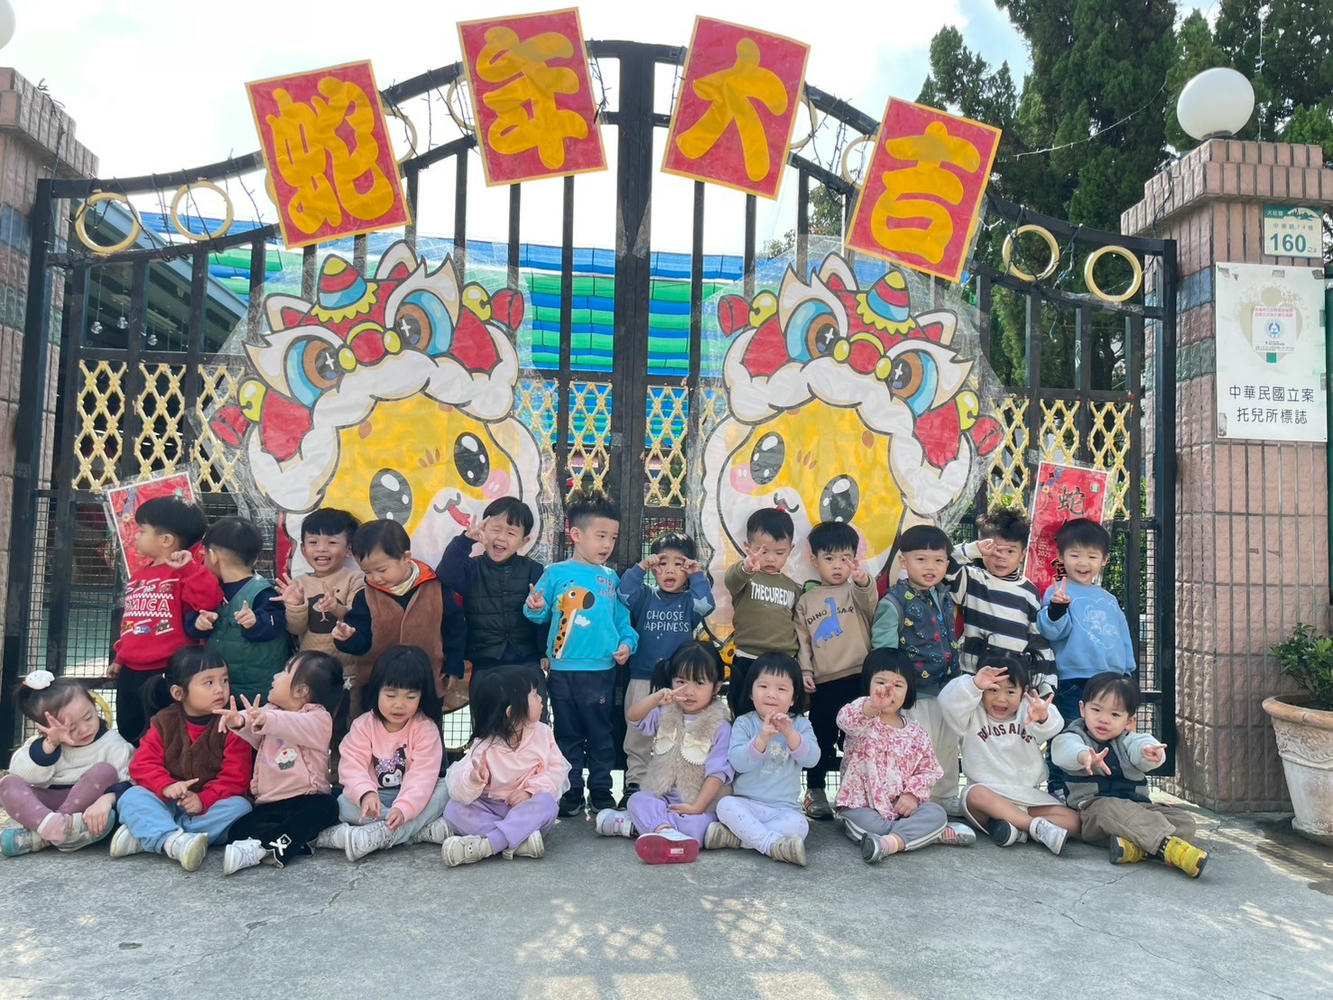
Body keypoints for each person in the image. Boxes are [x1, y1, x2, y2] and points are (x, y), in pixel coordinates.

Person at [524, 488, 637, 817]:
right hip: (561, 672)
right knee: (567, 733)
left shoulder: (611, 579)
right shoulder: (555, 573)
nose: (607, 544)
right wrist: (535, 606)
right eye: (601, 536)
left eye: (612, 538)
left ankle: (601, 789)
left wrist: (627, 644)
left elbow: (623, 622)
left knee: (601, 732)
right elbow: (536, 614)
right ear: (576, 534)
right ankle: (571, 789)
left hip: (601, 671)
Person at [111, 647, 254, 871]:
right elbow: (142, 764)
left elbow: (236, 778)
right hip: (169, 803)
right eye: (209, 683)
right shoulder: (164, 722)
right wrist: (166, 786)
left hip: (209, 807)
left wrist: (203, 800)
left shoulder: (232, 723)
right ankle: (175, 840)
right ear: (179, 693)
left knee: (241, 807)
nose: (220, 689)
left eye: (224, 680)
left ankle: (154, 835)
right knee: (132, 796)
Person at [1052, 672, 1208, 877]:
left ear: (1130, 721)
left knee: (1185, 822)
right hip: (1093, 812)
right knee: (1109, 808)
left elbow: (1141, 745)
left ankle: (1134, 849)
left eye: (1115, 715)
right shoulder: (1073, 737)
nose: (1104, 719)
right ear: (1083, 709)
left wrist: (1149, 753)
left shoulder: (1129, 740)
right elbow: (1063, 749)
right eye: (1096, 710)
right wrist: (1083, 756)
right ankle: (1167, 847)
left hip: (1137, 808)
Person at [594, 641, 732, 865]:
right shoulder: (665, 712)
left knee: (701, 826)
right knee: (638, 799)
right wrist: (655, 699)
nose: (688, 691)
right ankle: (666, 832)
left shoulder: (720, 726)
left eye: (699, 683)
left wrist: (696, 808)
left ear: (716, 687)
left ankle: (633, 827)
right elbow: (634, 716)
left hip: (696, 805)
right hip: (662, 799)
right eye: (681, 681)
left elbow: (717, 774)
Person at [870, 524, 970, 833]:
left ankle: (944, 796)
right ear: (903, 561)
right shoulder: (893, 602)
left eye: (938, 561)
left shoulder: (944, 595)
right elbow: (884, 650)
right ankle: (908, 800)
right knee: (914, 750)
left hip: (947, 690)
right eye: (921, 559)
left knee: (946, 746)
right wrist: (892, 689)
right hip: (914, 694)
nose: (931, 567)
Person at [835, 648, 973, 863]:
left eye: (898, 685)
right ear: (868, 684)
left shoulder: (916, 732)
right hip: (861, 805)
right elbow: (845, 720)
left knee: (936, 812)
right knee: (869, 825)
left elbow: (928, 770)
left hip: (901, 808)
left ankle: (890, 843)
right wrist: (872, 706)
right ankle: (924, 836)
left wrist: (912, 796)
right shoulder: (862, 719)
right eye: (881, 682)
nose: (888, 690)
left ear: (909, 690)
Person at [215, 651, 345, 874]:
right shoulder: (270, 712)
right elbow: (255, 725)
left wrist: (265, 719)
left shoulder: (319, 719)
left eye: (285, 671)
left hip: (307, 798)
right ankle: (308, 840)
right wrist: (239, 720)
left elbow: (288, 723)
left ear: (301, 691)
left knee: (328, 807)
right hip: (271, 804)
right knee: (238, 830)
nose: (276, 676)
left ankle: (266, 848)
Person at [317, 646, 451, 861]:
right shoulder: (363, 726)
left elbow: (422, 776)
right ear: (377, 690)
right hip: (376, 798)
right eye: (390, 695)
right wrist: (366, 794)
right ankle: (415, 831)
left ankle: (383, 835)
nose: (399, 705)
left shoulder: (425, 728)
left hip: (412, 796)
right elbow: (352, 766)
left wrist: (404, 808)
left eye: (410, 696)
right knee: (343, 805)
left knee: (445, 789)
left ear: (422, 696)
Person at [937, 652, 1079, 854]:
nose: (1001, 699)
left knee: (1073, 821)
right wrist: (974, 684)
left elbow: (1053, 726)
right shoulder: (971, 712)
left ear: (1024, 692)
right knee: (974, 795)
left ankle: (1016, 829)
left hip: (1026, 796)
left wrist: (1042, 717)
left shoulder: (1028, 710)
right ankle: (1034, 828)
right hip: (989, 797)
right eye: (993, 690)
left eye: (1011, 692)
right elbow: (947, 701)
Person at [110, 496, 222, 744]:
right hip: (130, 672)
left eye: (142, 530)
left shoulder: (186, 571)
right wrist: (120, 657)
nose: (136, 536)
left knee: (168, 735)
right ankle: (134, 767)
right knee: (129, 730)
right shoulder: (138, 576)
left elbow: (209, 599)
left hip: (167, 671)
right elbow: (131, 621)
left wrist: (189, 570)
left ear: (166, 540)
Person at [1037, 518, 1136, 797]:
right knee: (1068, 733)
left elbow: (1122, 638)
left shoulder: (1108, 599)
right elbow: (1051, 631)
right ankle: (1059, 787)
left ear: (1104, 560)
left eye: (1092, 556)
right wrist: (1057, 609)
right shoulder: (1057, 592)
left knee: (1108, 733)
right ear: (1061, 557)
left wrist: (1127, 673)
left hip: (1109, 681)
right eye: (1075, 555)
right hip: (1073, 680)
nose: (1083, 562)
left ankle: (1104, 786)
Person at [617, 530, 714, 803]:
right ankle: (634, 784)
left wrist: (697, 575)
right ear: (653, 567)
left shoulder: (689, 602)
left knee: (674, 735)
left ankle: (668, 787)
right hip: (642, 678)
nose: (670, 570)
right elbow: (623, 594)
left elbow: (706, 606)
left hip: (677, 684)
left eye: (678, 564)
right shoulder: (645, 596)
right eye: (662, 563)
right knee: (637, 735)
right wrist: (640, 568)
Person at [439, 665, 570, 867]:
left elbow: (557, 770)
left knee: (547, 804)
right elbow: (458, 785)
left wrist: (530, 791)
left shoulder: (542, 733)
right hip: (492, 809)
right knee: (453, 809)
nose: (541, 699)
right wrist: (473, 779)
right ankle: (517, 842)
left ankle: (488, 844)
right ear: (512, 712)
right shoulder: (484, 745)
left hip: (525, 811)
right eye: (534, 695)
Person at [793, 521, 876, 820]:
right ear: (814, 560)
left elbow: (871, 604)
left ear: (854, 559)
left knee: (859, 740)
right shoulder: (806, 601)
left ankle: (857, 794)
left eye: (845, 558)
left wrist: (864, 582)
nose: (838, 565)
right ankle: (815, 791)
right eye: (829, 558)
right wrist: (805, 671)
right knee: (820, 736)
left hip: (859, 679)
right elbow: (802, 640)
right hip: (825, 682)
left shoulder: (856, 591)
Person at [333, 520, 467, 704]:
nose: (375, 578)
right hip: (378, 687)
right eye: (367, 572)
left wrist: (453, 665)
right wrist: (347, 638)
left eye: (382, 570)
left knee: (426, 721)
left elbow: (455, 630)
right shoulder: (365, 598)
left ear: (406, 557)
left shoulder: (436, 588)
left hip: (428, 683)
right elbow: (361, 643)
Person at [0, 672, 134, 856]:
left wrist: (108, 799)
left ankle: (44, 836)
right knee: (8, 783)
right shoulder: (43, 745)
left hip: (87, 812)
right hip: (47, 809)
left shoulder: (112, 744)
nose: (84, 729)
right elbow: (20, 773)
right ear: (45, 728)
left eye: (88, 717)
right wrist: (50, 745)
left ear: (94, 705)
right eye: (71, 728)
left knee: (104, 771)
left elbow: (131, 781)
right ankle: (55, 828)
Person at [713, 652, 819, 866]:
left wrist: (790, 735)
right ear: (751, 693)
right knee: (724, 805)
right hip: (747, 804)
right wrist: (761, 739)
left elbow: (812, 760)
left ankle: (738, 838)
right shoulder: (744, 723)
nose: (771, 694)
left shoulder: (800, 725)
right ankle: (772, 845)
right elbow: (737, 762)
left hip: (783, 809)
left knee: (800, 826)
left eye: (781, 689)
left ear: (793, 698)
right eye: (763, 686)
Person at [436, 497, 546, 697]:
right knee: (487, 715)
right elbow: (446, 573)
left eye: (511, 533)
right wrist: (466, 540)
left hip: (527, 661)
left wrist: (544, 650)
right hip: (485, 662)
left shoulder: (534, 570)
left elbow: (546, 617)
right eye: (495, 529)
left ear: (524, 541)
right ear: (484, 530)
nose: (501, 538)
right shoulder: (471, 568)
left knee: (532, 714)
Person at [951, 507, 1055, 692]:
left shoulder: (1030, 592)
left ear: (1022, 555)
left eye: (1010, 551)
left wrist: (1046, 685)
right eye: (994, 550)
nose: (1001, 557)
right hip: (973, 678)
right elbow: (943, 563)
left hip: (1011, 681)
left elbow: (1037, 640)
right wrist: (972, 549)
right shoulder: (971, 579)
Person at [188, 517, 288, 703]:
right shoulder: (210, 589)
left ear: (213, 555)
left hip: (258, 695)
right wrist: (198, 623)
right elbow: (192, 621)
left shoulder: (261, 591)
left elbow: (277, 623)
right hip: (222, 690)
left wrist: (256, 622)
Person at [723, 509, 800, 718]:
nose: (771, 558)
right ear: (748, 547)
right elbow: (731, 580)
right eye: (762, 551)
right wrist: (746, 567)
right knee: (743, 713)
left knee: (784, 716)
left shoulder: (793, 587)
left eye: (780, 552)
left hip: (784, 661)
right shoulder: (746, 578)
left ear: (790, 550)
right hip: (748, 657)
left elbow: (798, 624)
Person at [276, 507, 363, 659]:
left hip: (347, 667)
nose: (321, 549)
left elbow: (357, 619)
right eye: (313, 542)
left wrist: (336, 608)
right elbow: (296, 629)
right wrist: (295, 606)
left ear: (349, 550)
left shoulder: (355, 580)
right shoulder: (298, 584)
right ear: (303, 550)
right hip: (309, 664)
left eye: (332, 542)